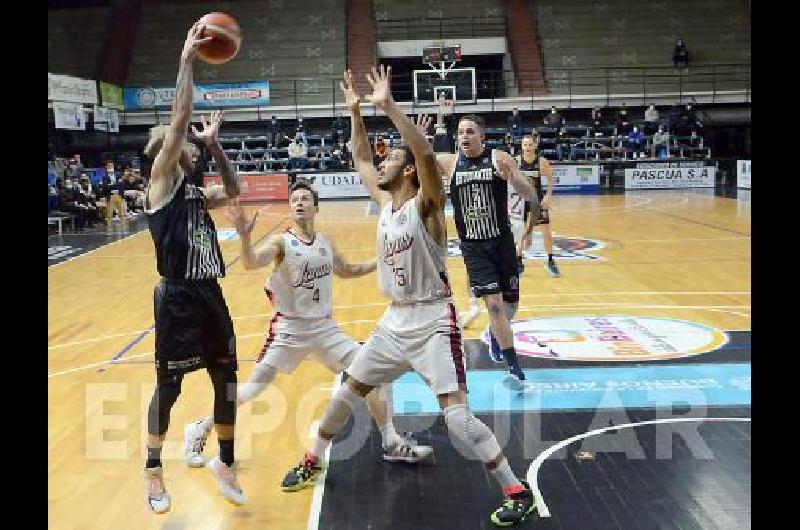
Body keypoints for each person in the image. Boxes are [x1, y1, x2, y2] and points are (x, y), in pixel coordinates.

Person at [280, 67, 538, 528]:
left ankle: (517, 492)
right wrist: (355, 111)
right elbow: (360, 155)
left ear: (409, 172)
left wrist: (388, 106)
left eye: (390, 159)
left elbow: (421, 152)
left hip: (434, 321)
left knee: (457, 419)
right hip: (394, 322)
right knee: (346, 393)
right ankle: (313, 459)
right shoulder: (385, 205)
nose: (381, 163)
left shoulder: (428, 205)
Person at [185, 181, 433, 471]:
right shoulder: (281, 242)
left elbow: (349, 270)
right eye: (294, 200)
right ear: (291, 209)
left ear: (315, 207)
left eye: (305, 199)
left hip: (325, 330)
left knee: (374, 373)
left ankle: (391, 442)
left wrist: (383, 261)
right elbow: (251, 263)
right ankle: (200, 428)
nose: (299, 203)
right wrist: (244, 237)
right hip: (289, 331)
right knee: (251, 390)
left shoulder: (325, 243)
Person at [140, 23, 245, 514]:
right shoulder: (161, 183)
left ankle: (225, 460)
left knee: (226, 379)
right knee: (170, 386)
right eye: (181, 142)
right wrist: (186, 60)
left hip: (210, 294)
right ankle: (153, 469)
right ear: (167, 149)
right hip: (177, 297)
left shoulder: (198, 191)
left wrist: (218, 146)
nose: (189, 144)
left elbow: (235, 191)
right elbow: (180, 117)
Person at [437, 112, 539, 393]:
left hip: (502, 242)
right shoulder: (450, 162)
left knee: (509, 307)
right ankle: (515, 370)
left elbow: (529, 193)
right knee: (493, 306)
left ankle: (496, 335)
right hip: (473, 247)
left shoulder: (499, 157)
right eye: (460, 133)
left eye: (470, 132)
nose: (464, 137)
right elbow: (419, 161)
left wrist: (513, 180)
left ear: (482, 136)